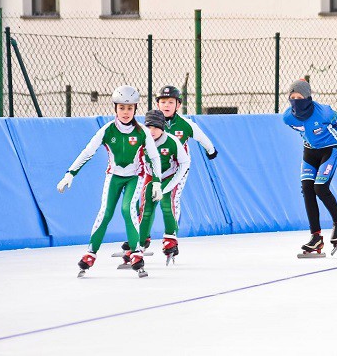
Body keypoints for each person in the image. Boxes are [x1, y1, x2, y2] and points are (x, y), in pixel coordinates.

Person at [57, 85, 163, 278]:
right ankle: (90, 253)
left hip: (134, 177)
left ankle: (137, 253)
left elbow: (154, 157)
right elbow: (88, 152)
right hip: (113, 176)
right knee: (105, 213)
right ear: (115, 108)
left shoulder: (142, 133)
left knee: (127, 209)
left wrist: (156, 182)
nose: (125, 112)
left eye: (129, 108)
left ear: (135, 109)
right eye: (122, 108)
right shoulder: (107, 130)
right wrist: (70, 174)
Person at [120, 85, 218, 252]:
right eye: (163, 101)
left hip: (176, 170)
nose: (166, 105)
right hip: (153, 171)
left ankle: (170, 238)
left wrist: (211, 151)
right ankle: (142, 236)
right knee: (145, 202)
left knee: (170, 200)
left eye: (170, 102)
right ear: (157, 104)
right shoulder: (149, 124)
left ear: (178, 105)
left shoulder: (185, 125)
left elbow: (202, 137)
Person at [282, 79, 337, 257]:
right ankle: (316, 236)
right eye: (292, 97)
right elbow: (301, 129)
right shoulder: (288, 117)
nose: (296, 100)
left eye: (300, 97)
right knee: (307, 189)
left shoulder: (324, 112)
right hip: (309, 152)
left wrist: (333, 134)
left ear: (308, 97)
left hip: (330, 150)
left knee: (320, 187)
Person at [138, 110, 190, 265]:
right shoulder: (141, 141)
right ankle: (140, 241)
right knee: (146, 206)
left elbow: (185, 163)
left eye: (156, 127)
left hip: (170, 175)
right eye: (149, 127)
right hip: (151, 175)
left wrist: (168, 187)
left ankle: (170, 239)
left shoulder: (172, 141)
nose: (152, 131)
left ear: (163, 127)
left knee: (167, 204)